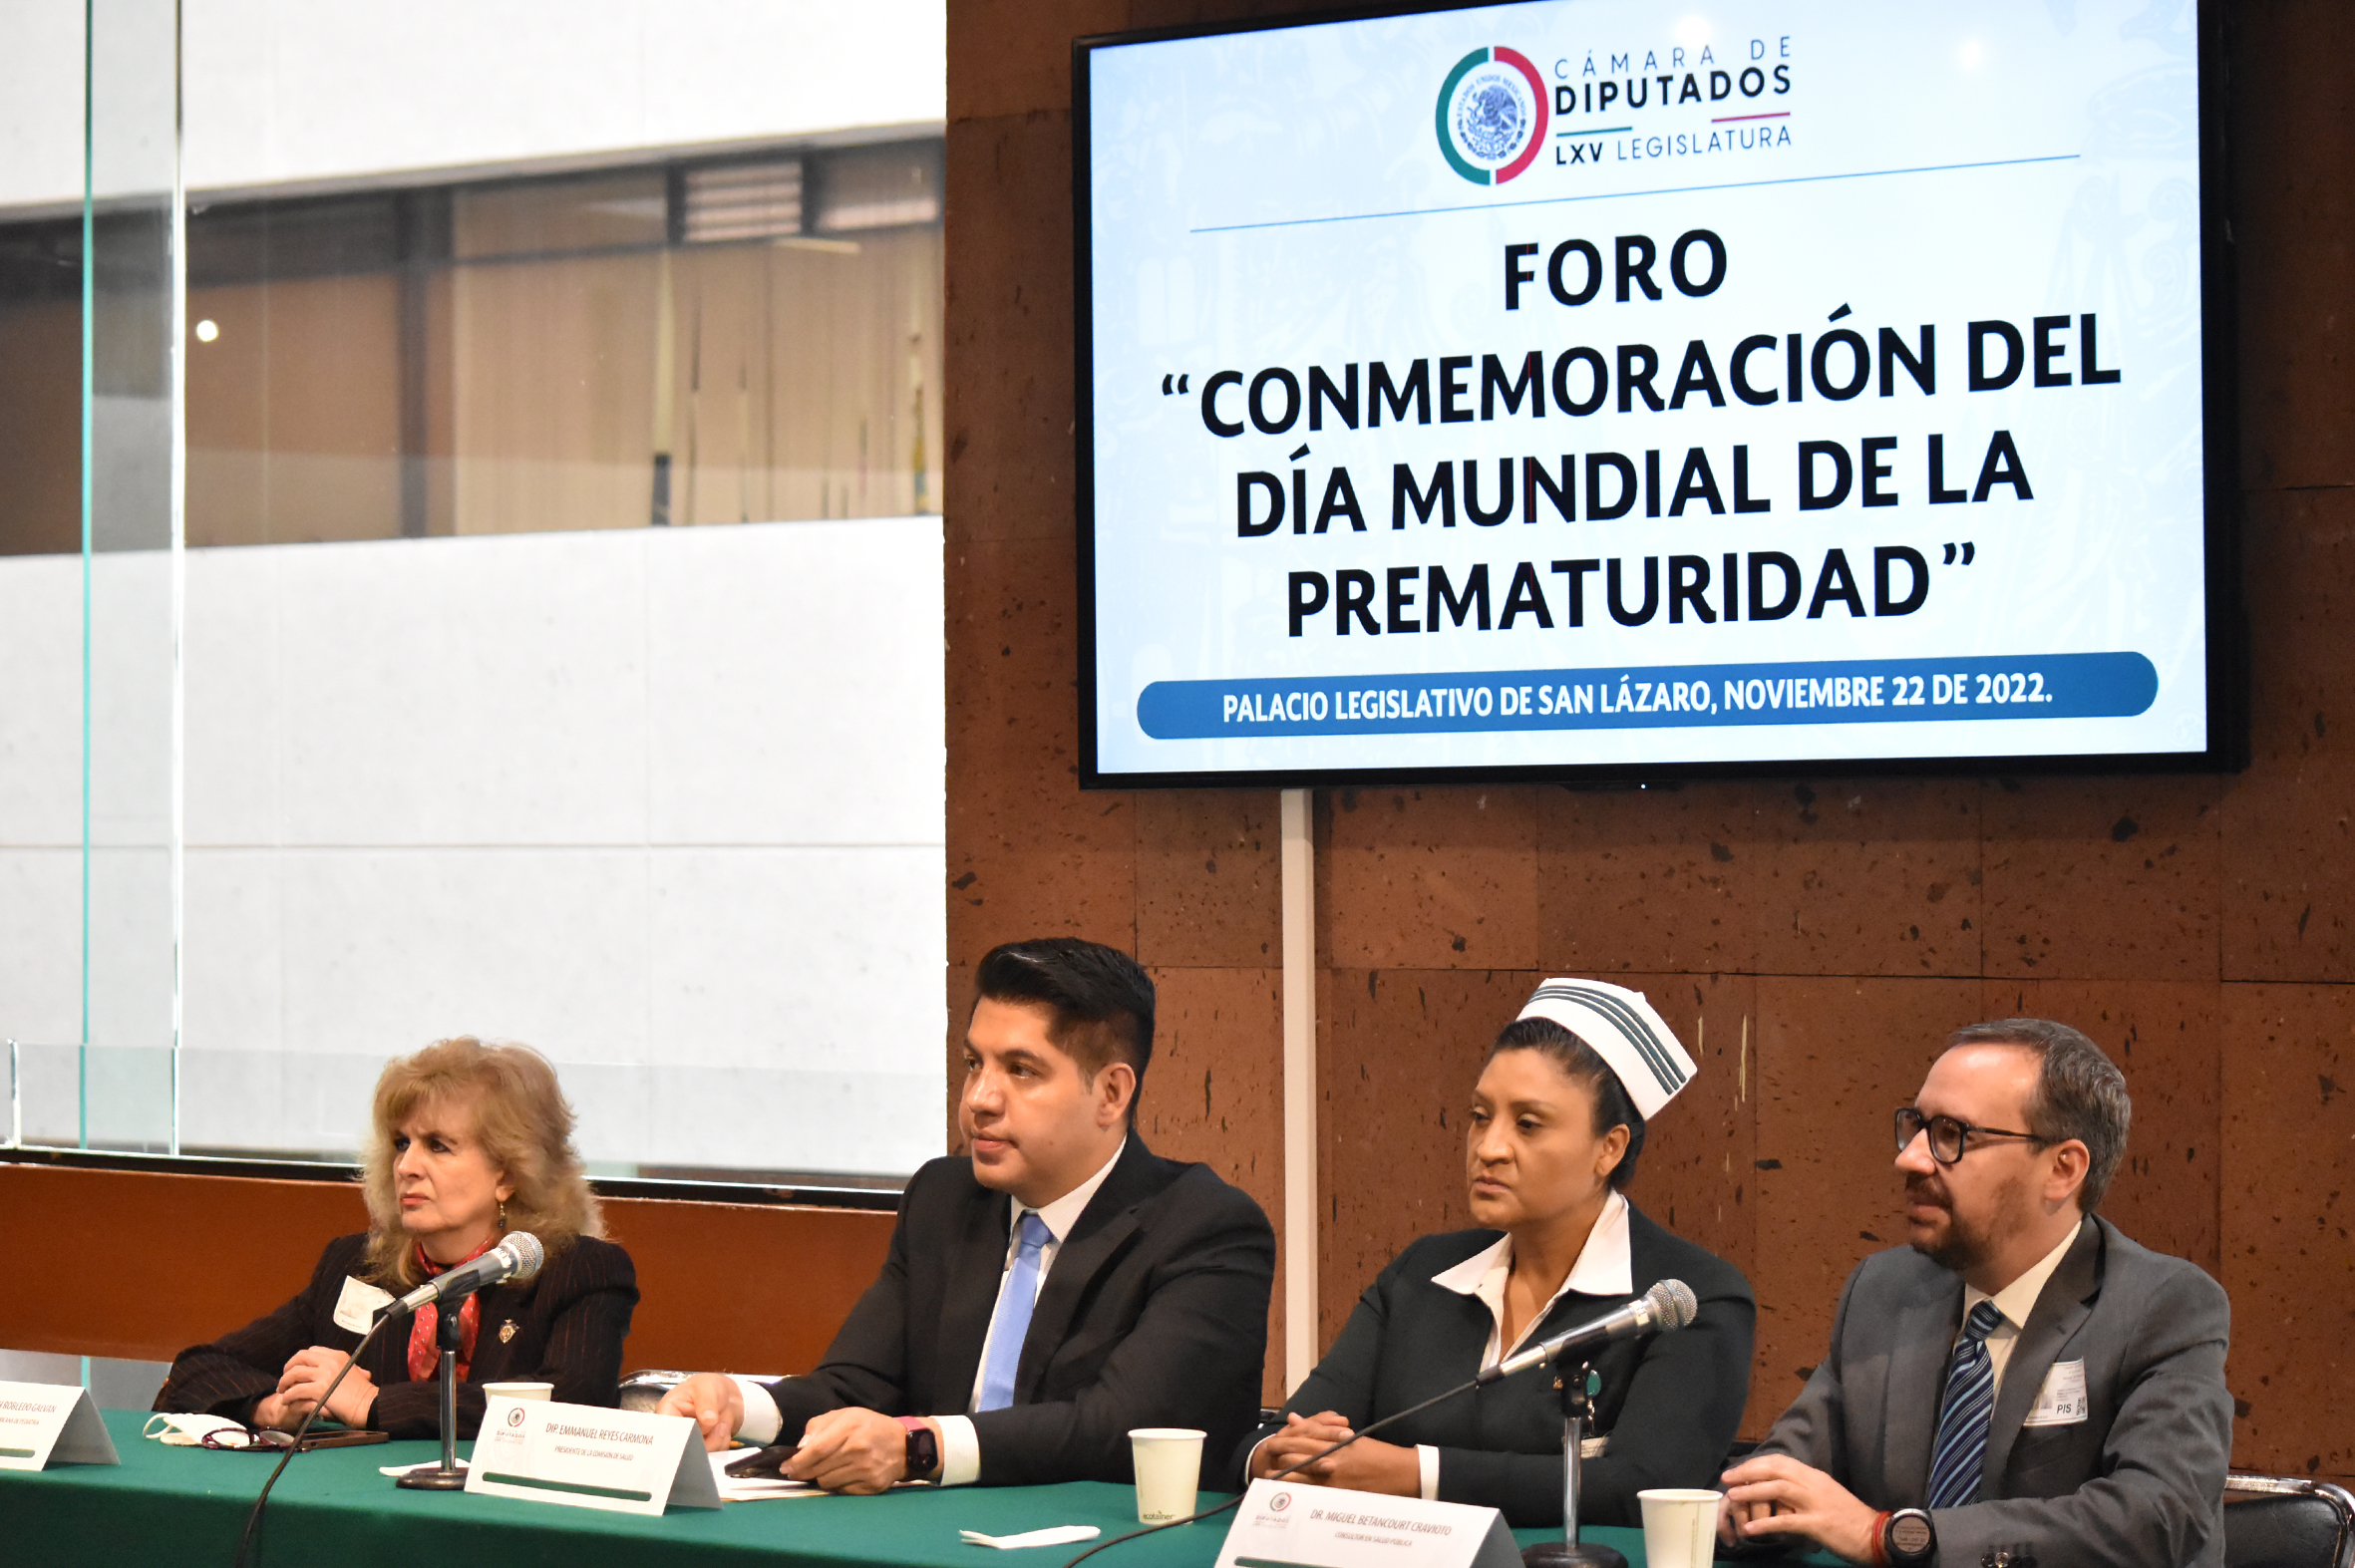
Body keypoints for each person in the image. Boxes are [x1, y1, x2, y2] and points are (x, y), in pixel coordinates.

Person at [659, 937, 1276, 1493]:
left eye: (1021, 1071)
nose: (980, 1098)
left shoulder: (1204, 1228)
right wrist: (737, 1405)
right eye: (974, 1063)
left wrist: (918, 1446)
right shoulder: (944, 1197)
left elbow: (1121, 1428)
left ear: (1111, 1093)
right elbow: (854, 1389)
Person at [1238, 978, 1755, 1527]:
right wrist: (1273, 1456)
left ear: (1609, 1148)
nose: (1488, 1148)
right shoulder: (1423, 1274)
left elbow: (1645, 1487)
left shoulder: (1690, 1298)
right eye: (1480, 1116)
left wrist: (1415, 1475)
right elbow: (1281, 1433)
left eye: (1528, 1125)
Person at [1719, 1019, 2232, 1568]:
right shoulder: (1885, 1289)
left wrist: (1892, 1536)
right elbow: (1797, 1463)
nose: (1910, 1158)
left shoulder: (2161, 1306)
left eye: (1951, 1134)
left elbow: (2158, 1516)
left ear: (2062, 1169)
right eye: (1916, 1126)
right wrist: (1754, 1504)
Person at [155, 1037, 638, 1439]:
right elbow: (198, 1371)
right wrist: (270, 1408)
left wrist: (371, 1404)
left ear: (508, 1174)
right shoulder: (357, 1266)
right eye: (402, 1143)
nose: (406, 1166)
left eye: (438, 1146)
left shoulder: (580, 1270)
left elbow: (573, 1405)